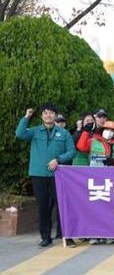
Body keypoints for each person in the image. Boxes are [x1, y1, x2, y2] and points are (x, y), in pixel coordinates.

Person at [16, 104, 76, 248]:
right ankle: (45, 237)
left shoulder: (63, 133)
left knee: (62, 206)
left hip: (58, 175)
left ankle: (66, 236)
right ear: (42, 116)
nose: (48, 116)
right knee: (43, 206)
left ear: (55, 115)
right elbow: (20, 134)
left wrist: (58, 160)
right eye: (45, 113)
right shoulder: (35, 131)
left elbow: (72, 151)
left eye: (51, 113)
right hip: (38, 174)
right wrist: (26, 117)